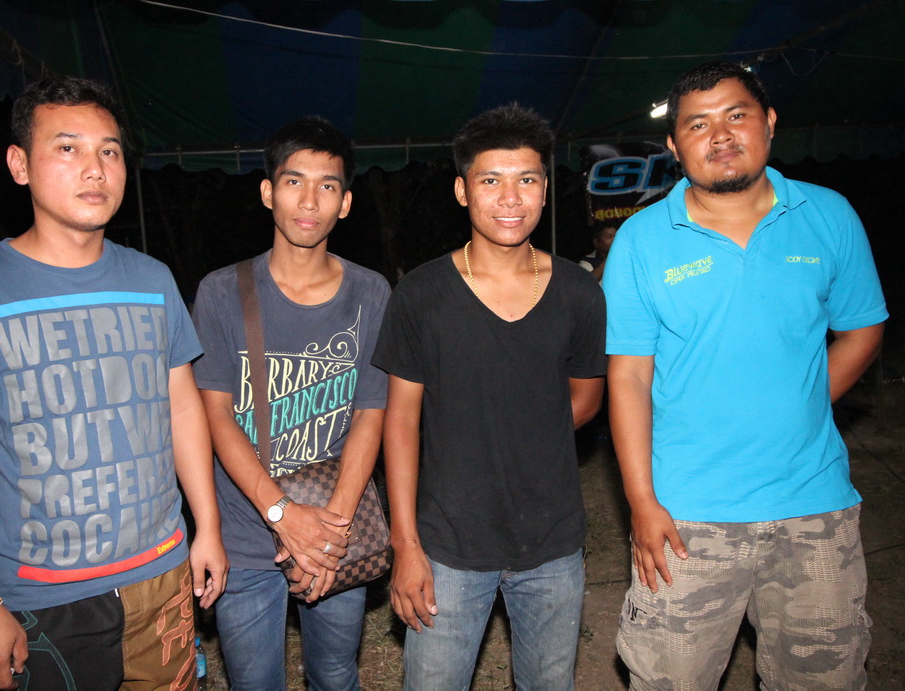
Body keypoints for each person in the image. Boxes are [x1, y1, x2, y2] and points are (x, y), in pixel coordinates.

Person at [0, 75, 227, 691]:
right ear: (19, 164)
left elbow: (182, 409)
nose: (95, 168)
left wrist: (207, 527)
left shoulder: (153, 280)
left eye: (109, 151)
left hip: (160, 575)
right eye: (68, 148)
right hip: (40, 600)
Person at [603, 60, 885, 690]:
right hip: (686, 514)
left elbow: (863, 327)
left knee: (825, 680)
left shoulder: (829, 216)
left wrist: (807, 401)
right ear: (675, 145)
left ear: (769, 122)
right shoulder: (642, 240)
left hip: (815, 510)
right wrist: (642, 503)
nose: (720, 135)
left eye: (736, 115)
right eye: (698, 124)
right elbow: (629, 379)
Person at [372, 104, 607, 690]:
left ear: (545, 190)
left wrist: (521, 437)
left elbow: (587, 397)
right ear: (462, 190)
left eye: (526, 179)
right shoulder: (421, 294)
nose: (510, 198)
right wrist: (405, 544)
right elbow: (400, 421)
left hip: (552, 543)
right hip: (446, 545)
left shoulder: (579, 293)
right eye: (491, 180)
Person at [191, 116, 390, 690]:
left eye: (327, 186)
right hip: (246, 531)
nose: (308, 201)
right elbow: (215, 415)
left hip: (335, 523)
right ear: (267, 192)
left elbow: (370, 413)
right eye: (293, 181)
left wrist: (331, 533)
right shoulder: (221, 291)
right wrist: (282, 515)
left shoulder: (371, 293)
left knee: (334, 673)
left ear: (345, 203)